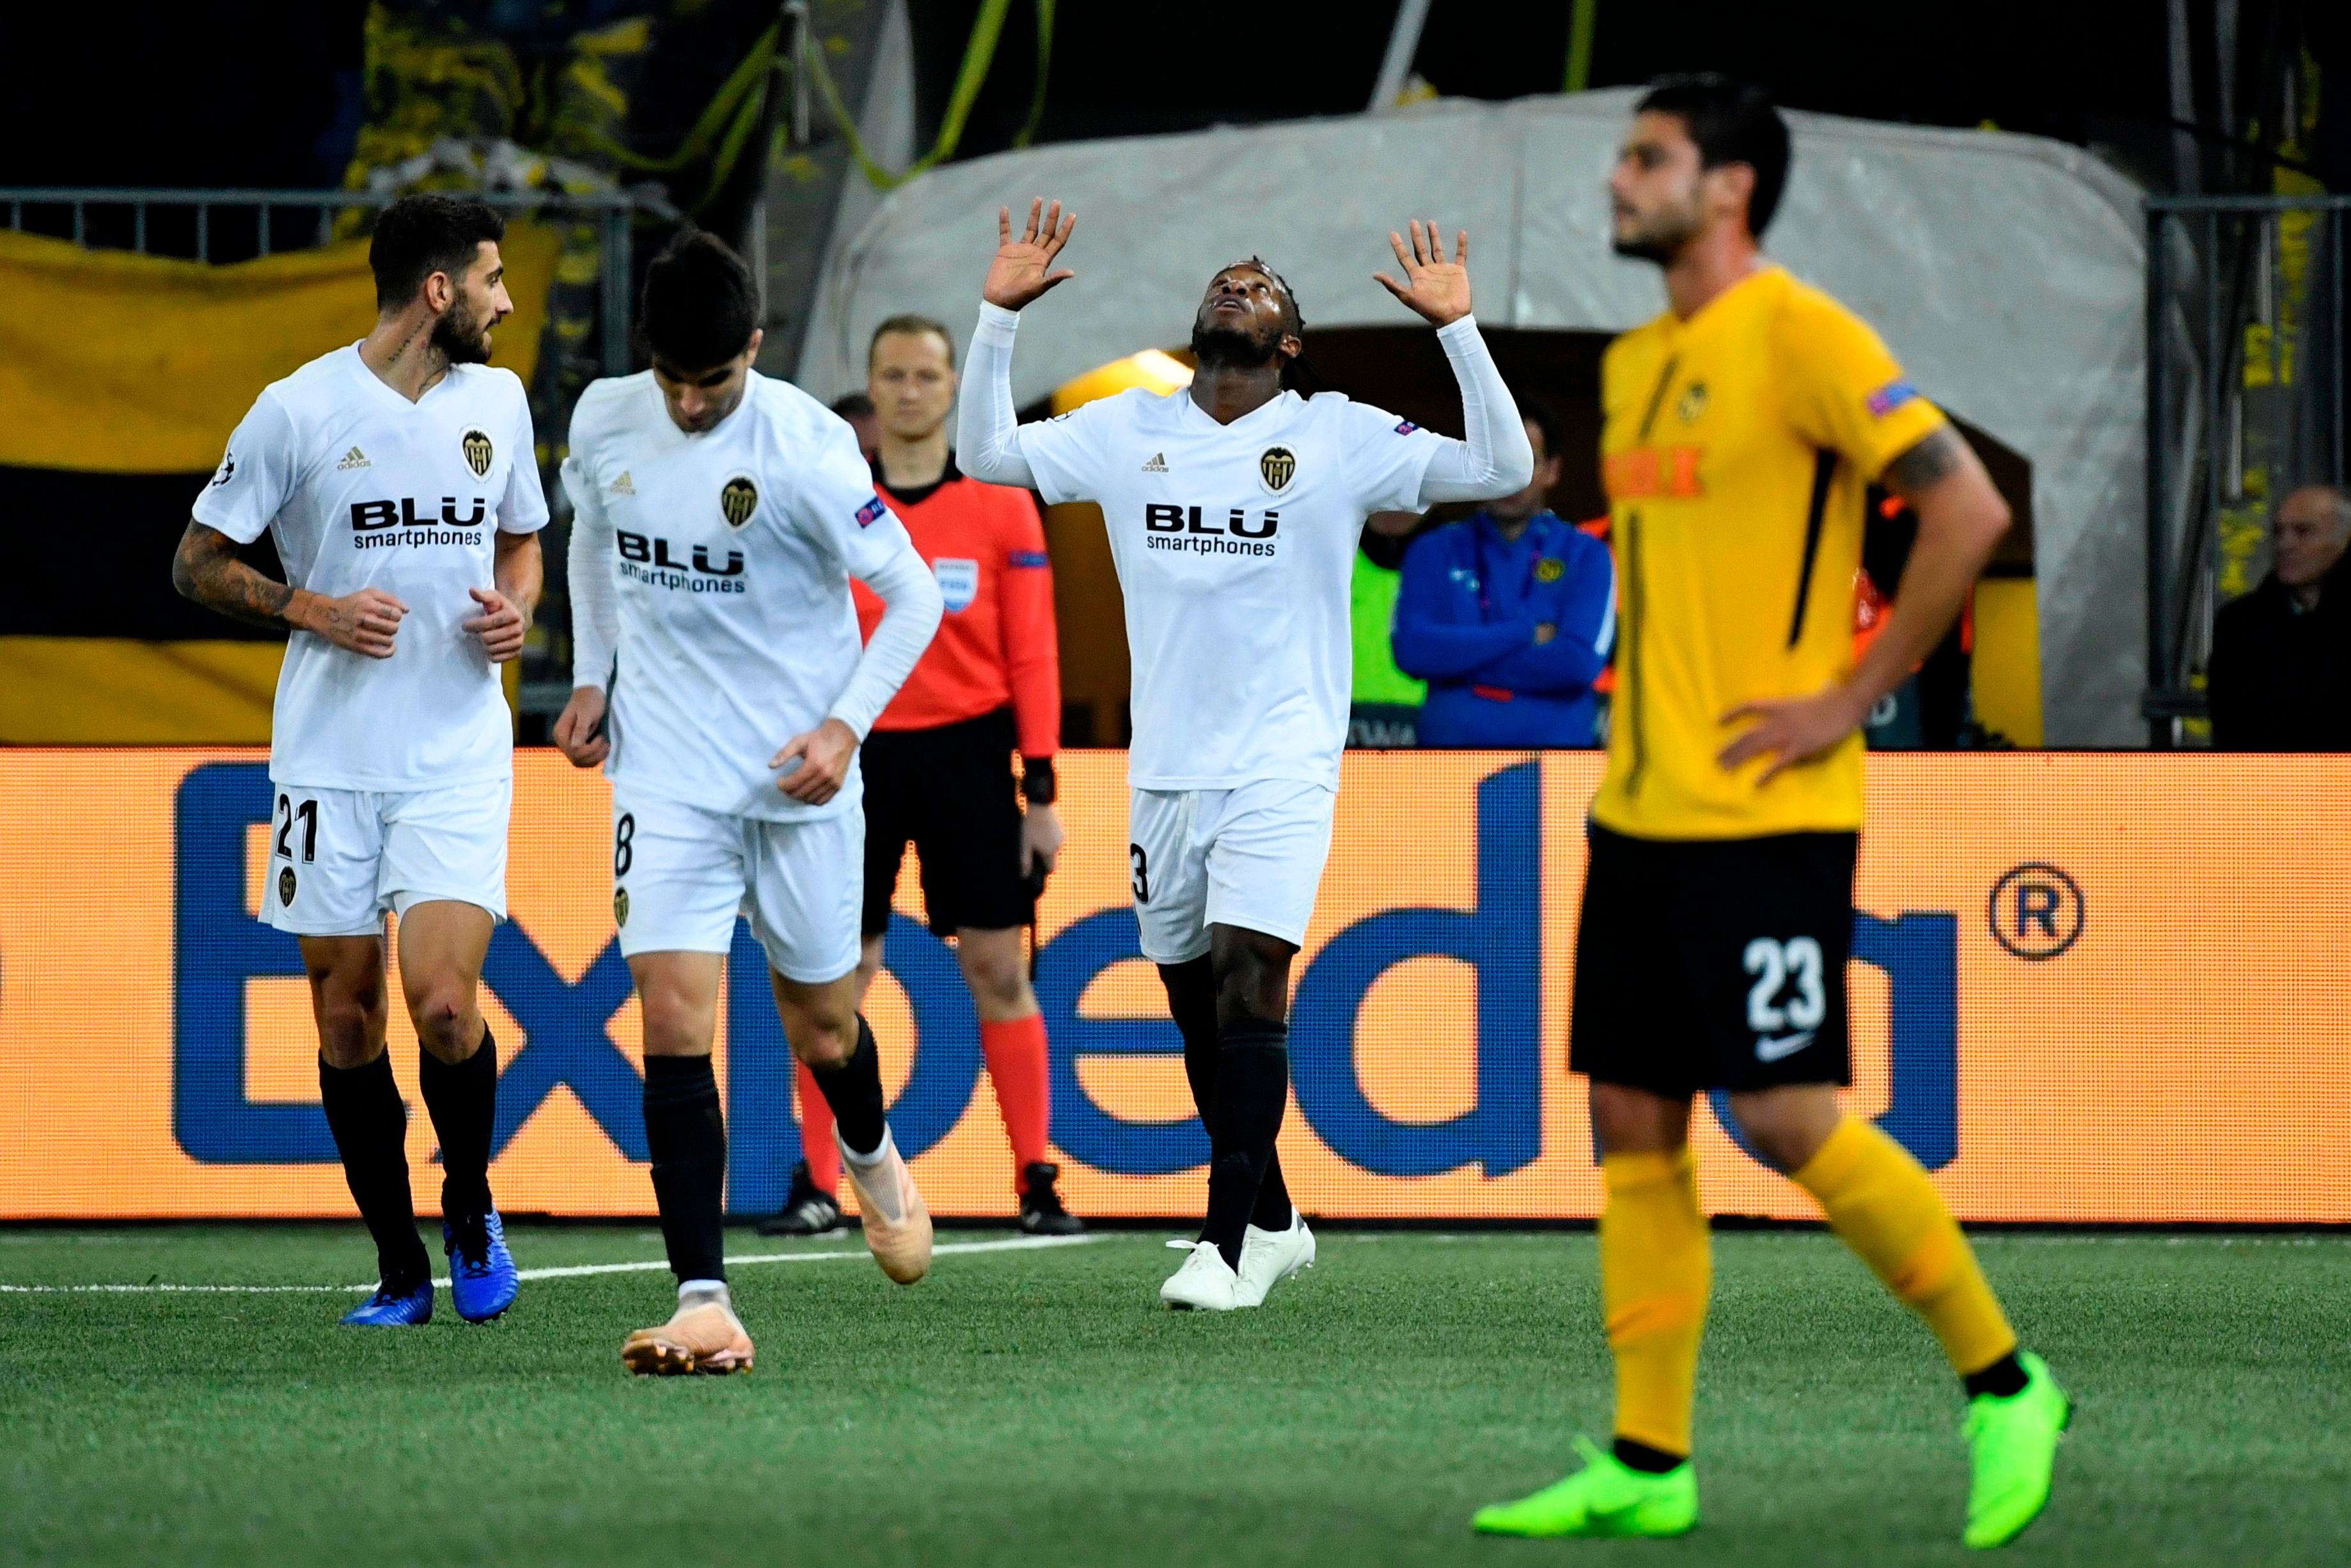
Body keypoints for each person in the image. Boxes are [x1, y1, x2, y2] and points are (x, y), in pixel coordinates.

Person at [1470, 77, 2068, 1548]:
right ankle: (1647, 1458)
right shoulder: (1634, 363)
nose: (1619, 180)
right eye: (1624, 156)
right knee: (1632, 1117)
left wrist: (1847, 695)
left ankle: (2007, 1382)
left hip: (1771, 816)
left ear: (1728, 187)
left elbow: (1968, 511)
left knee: (1790, 1117)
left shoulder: (1802, 333)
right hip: (1643, 814)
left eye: (1647, 159)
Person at [958, 200, 1534, 1310]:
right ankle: (1271, 1220)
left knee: (1249, 980)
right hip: (1164, 766)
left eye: (1261, 287)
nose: (1238, 286)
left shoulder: (1339, 433)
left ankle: (1223, 1246)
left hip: (1283, 756)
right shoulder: (1127, 428)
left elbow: (1502, 462)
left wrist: (1456, 331)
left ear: (1289, 343)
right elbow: (984, 452)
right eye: (1224, 280)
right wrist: (997, 317)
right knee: (1193, 1013)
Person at [552, 231, 946, 1375]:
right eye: (672, 378)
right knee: (674, 1019)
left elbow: (912, 596)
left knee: (823, 1027)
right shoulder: (605, 417)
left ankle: (870, 1158)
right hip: (666, 771)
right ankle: (703, 1298)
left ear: (756, 350)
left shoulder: (811, 450)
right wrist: (593, 675)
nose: (686, 402)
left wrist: (844, 726)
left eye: (711, 382)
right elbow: (595, 541)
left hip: (797, 780)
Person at [170, 193, 542, 1327]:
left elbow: (524, 536)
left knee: (441, 1002)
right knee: (345, 1019)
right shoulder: (297, 408)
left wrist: (518, 610)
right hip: (327, 761)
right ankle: (396, 1264)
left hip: (456, 752)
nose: (506, 298)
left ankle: (469, 1206)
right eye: (490, 278)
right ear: (439, 291)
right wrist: (315, 609)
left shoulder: (503, 400)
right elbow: (196, 562)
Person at [762, 312, 1080, 1239]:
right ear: (871, 388)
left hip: (970, 755)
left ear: (952, 390)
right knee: (839, 975)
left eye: (926, 376)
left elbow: (1034, 657)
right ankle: (821, 1182)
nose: (909, 391)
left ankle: (1036, 1178)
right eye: (892, 375)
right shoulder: (833, 501)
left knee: (996, 966)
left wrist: (1042, 793)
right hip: (853, 753)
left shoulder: (1001, 507)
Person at [1391, 401, 1616, 746]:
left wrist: (1459, 663)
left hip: (1558, 771)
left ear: (1552, 470)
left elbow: (1578, 663)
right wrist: (1523, 632)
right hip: (1443, 766)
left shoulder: (1588, 555)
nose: (1509, 477)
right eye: (1499, 459)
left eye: (1526, 461)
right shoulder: (1433, 550)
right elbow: (1413, 650)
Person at [2206, 483, 2351, 749]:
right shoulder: (2238, 625)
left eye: (2303, 532)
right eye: (2279, 531)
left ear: (2342, 540)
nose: (2286, 544)